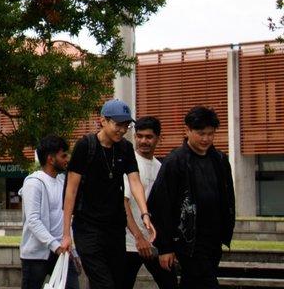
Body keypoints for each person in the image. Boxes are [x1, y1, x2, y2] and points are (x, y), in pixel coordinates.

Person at [60, 99, 155, 289]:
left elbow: (135, 181)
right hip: (87, 228)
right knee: (105, 284)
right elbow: (71, 190)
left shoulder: (125, 148)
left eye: (126, 125)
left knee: (115, 282)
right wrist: (66, 234)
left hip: (115, 229)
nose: (122, 130)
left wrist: (145, 213)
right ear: (103, 121)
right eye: (118, 124)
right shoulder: (85, 146)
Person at [149, 106, 235, 288]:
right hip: (188, 240)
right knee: (206, 282)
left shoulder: (220, 160)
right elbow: (160, 205)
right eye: (201, 133)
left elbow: (227, 197)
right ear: (187, 131)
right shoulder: (175, 161)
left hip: (214, 238)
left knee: (193, 283)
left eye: (210, 134)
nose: (206, 139)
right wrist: (165, 247)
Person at [123, 117, 177, 288]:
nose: (143, 141)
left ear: (158, 138)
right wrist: (138, 238)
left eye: (149, 137)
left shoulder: (161, 167)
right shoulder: (129, 164)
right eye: (139, 136)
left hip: (155, 243)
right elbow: (123, 204)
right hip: (130, 244)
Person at [20, 136, 79, 289]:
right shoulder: (33, 183)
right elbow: (33, 220)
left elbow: (68, 217)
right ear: (51, 159)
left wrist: (73, 253)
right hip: (36, 256)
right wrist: (55, 246)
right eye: (63, 155)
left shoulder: (63, 181)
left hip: (63, 252)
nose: (67, 159)